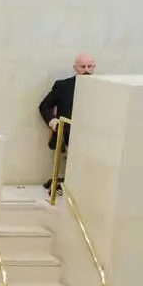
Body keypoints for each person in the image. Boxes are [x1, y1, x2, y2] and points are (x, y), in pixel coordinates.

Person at [38, 53, 95, 189]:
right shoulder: (63, 86)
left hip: (94, 134)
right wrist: (53, 123)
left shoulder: (105, 88)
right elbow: (44, 106)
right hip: (68, 133)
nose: (86, 70)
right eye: (82, 66)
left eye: (89, 66)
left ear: (94, 67)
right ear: (75, 68)